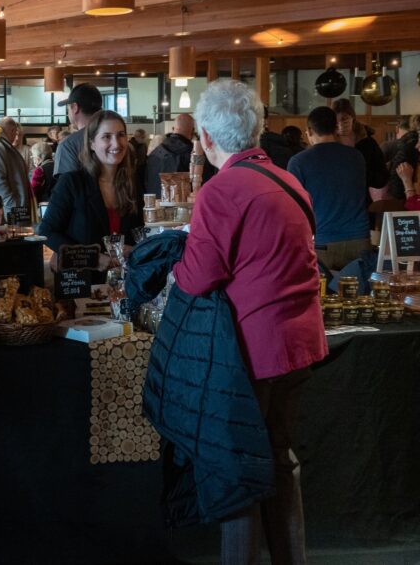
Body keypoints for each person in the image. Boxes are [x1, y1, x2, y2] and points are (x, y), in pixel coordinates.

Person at [172, 80, 327, 565]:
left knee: (238, 468)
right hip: (301, 343)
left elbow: (198, 279)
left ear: (206, 139)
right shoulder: (289, 181)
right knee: (280, 460)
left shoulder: (221, 192)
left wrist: (171, 264)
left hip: (253, 351)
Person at [39, 110, 142, 277]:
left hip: (125, 282)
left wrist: (135, 249)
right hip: (84, 285)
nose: (116, 144)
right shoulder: (72, 182)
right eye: (106, 136)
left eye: (121, 135)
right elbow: (47, 231)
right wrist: (91, 258)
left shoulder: (132, 184)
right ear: (92, 143)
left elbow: (141, 231)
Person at [288, 107, 370, 271]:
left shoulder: (299, 162)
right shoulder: (356, 157)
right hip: (359, 239)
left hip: (322, 242)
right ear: (336, 128)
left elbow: (294, 208)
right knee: (361, 294)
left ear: (310, 131)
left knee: (321, 295)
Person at [334, 99, 392, 195]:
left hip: (360, 199)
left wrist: (359, 172)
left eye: (344, 120)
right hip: (334, 198)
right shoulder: (328, 142)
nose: (340, 125)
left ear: (352, 118)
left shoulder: (368, 143)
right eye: (336, 122)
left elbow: (381, 179)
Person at [54, 83, 103, 176]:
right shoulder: (116, 139)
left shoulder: (68, 145)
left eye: (68, 109)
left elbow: (65, 186)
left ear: (75, 108)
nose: (68, 113)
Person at [144, 113, 197, 196]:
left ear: (173, 129)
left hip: (155, 205)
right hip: (182, 206)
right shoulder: (194, 155)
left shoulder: (154, 153)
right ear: (193, 131)